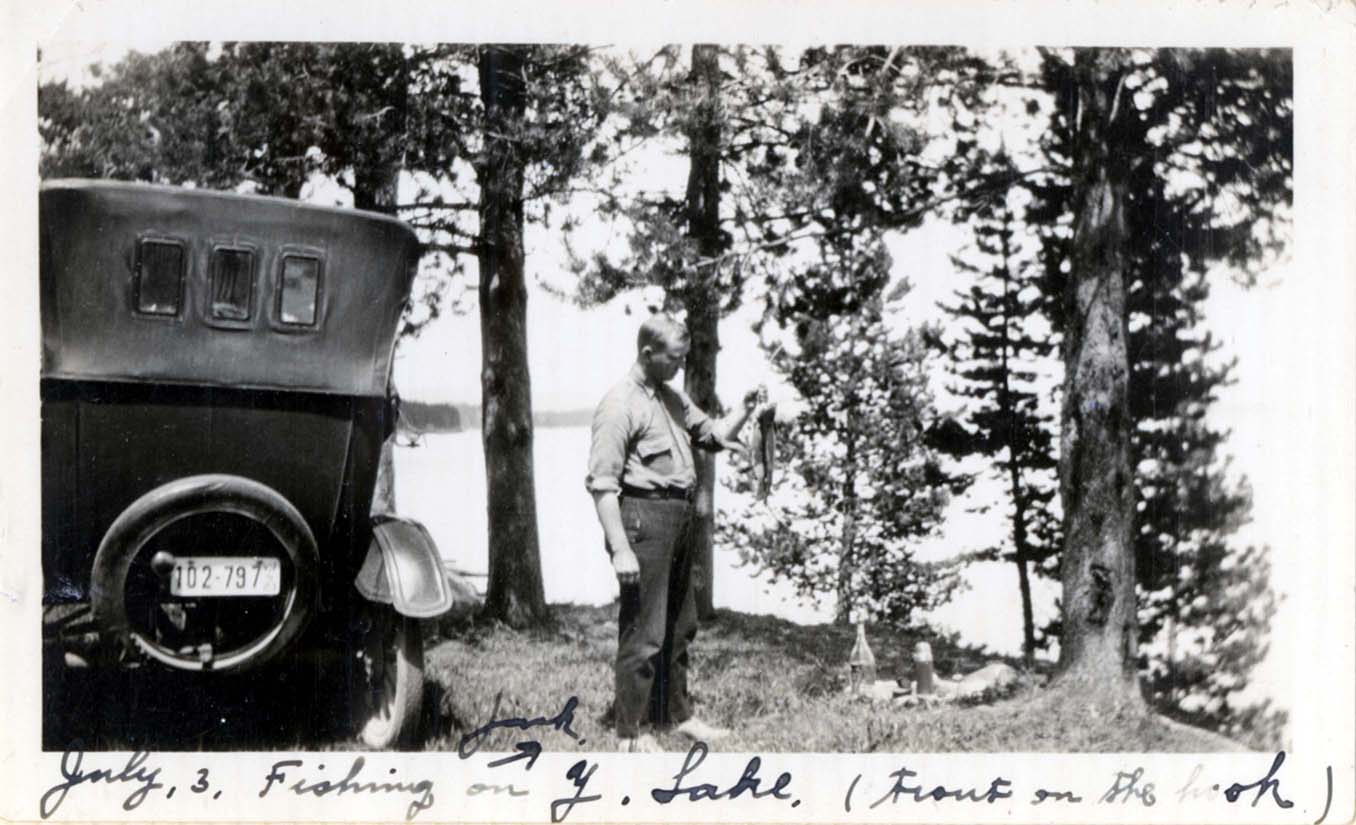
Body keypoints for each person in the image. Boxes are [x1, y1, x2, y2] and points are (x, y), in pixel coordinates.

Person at [586, 314, 769, 753]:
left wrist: (745, 408)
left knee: (680, 625)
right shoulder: (618, 405)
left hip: (680, 518)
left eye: (685, 359)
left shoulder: (671, 398)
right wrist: (620, 549)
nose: (681, 367)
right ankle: (632, 731)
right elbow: (602, 486)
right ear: (647, 354)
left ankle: (677, 715)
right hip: (643, 520)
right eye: (674, 358)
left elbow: (715, 435)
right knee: (644, 630)